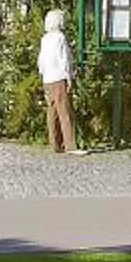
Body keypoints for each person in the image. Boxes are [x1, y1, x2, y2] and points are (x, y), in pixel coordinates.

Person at [36, 8, 84, 156]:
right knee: (65, 111)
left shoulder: (45, 39)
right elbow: (64, 59)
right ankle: (70, 145)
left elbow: (41, 60)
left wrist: (42, 74)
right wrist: (69, 77)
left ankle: (55, 143)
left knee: (52, 111)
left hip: (47, 78)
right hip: (59, 76)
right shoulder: (60, 38)